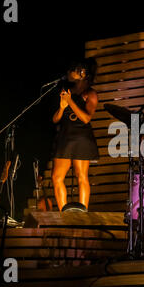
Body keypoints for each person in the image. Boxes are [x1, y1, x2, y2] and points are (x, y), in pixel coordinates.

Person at [51, 58, 99, 212]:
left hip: (81, 137)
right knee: (56, 177)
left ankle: (82, 212)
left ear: (82, 73)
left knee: (81, 175)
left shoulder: (90, 93)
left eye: (73, 70)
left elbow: (86, 118)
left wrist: (70, 102)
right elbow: (55, 119)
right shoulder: (66, 91)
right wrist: (62, 106)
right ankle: (63, 212)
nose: (69, 73)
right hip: (65, 136)